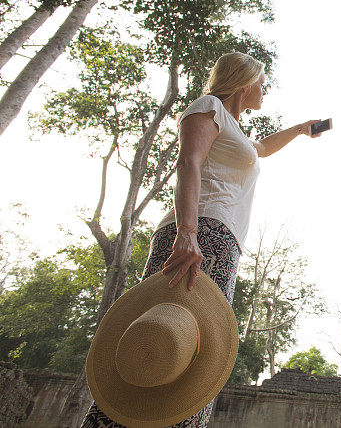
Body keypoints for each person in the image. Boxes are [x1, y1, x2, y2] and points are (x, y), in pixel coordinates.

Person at [81, 52, 322, 427]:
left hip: (220, 237)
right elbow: (189, 163)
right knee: (175, 342)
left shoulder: (235, 130)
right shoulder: (208, 107)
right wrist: (187, 232)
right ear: (243, 82)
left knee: (195, 351)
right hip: (201, 230)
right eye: (261, 82)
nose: (265, 90)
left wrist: (300, 129)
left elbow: (261, 149)